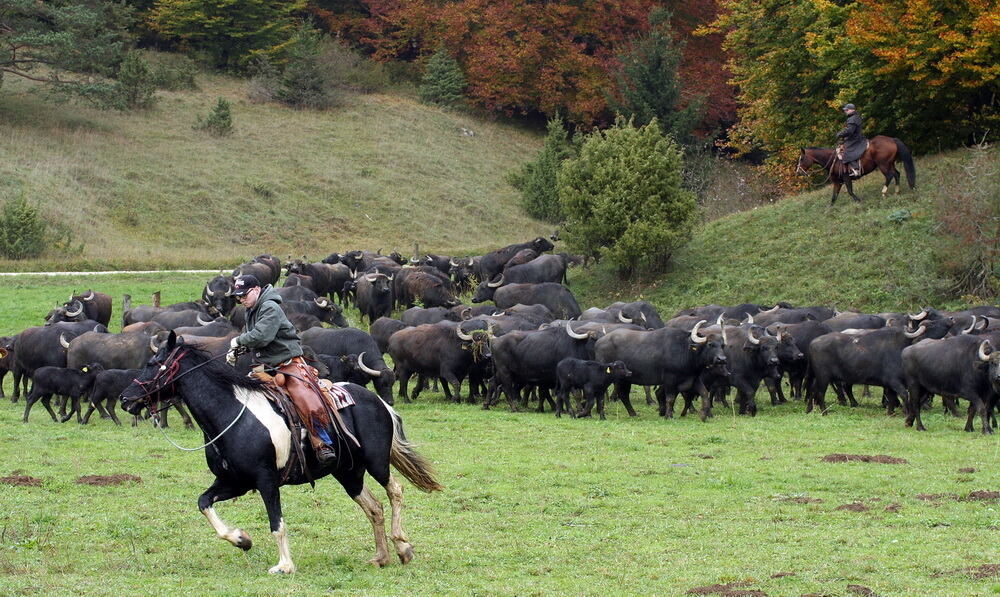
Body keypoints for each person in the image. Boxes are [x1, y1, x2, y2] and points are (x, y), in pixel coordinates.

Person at [228, 274, 338, 464]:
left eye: (244, 295)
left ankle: (323, 443)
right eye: (238, 297)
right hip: (266, 365)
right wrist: (238, 349)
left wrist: (238, 340)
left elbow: (262, 336)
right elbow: (255, 337)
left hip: (288, 363)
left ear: (256, 290)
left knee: (304, 398)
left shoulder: (270, 307)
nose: (241, 300)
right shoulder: (252, 308)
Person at [836, 103, 866, 178]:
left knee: (846, 150)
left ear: (852, 110)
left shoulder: (853, 118)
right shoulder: (854, 117)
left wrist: (840, 134)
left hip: (855, 139)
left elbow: (850, 131)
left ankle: (856, 169)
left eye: (847, 110)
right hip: (855, 137)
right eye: (845, 110)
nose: (845, 111)